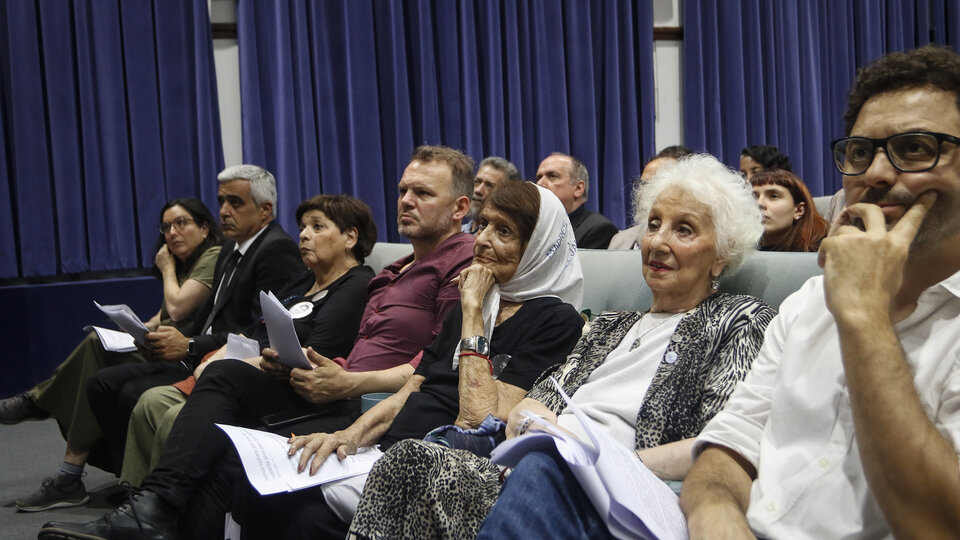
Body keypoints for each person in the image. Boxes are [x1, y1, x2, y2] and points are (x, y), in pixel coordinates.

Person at [38, 144, 477, 540]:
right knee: (227, 375)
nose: (405, 200)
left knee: (227, 450)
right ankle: (154, 507)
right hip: (336, 388)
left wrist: (348, 381)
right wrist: (319, 366)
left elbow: (434, 362)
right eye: (403, 189)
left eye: (422, 193)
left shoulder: (461, 265)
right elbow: (362, 347)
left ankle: (154, 512)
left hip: (376, 405)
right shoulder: (392, 270)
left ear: (460, 207)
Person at [358, 154, 777, 540]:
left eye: (683, 229)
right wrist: (542, 430)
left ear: (722, 254)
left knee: (535, 467)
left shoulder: (739, 319)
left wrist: (596, 459)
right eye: (653, 224)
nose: (658, 242)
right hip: (541, 463)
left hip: (628, 490)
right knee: (410, 459)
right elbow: (530, 405)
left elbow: (720, 443)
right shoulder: (609, 326)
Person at [676, 45, 960, 538]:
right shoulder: (810, 298)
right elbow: (730, 445)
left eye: (915, 147)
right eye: (860, 151)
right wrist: (714, 516)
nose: (875, 173)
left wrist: (865, 313)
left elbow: (936, 524)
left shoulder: (848, 301)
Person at [220, 181, 586, 540]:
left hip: (442, 465)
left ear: (539, 246)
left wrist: (473, 309)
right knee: (253, 486)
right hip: (385, 450)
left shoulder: (554, 320)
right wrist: (345, 437)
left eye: (503, 231)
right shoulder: (473, 305)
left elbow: (478, 421)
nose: (483, 239)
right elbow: (412, 388)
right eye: (483, 225)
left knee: (302, 513)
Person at [118, 194, 378, 487]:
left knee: (174, 417)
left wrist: (226, 364)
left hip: (290, 391)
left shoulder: (357, 285)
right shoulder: (302, 281)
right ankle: (136, 496)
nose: (303, 235)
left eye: (317, 227)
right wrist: (217, 356)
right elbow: (253, 329)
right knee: (150, 402)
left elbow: (315, 355)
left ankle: (167, 508)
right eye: (303, 227)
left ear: (350, 238)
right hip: (242, 373)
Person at [0, 198, 222, 512]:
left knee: (95, 356)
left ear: (204, 227)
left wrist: (167, 267)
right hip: (162, 348)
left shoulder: (212, 256)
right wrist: (136, 329)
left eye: (181, 223)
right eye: (166, 227)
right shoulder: (189, 262)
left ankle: (39, 409)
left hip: (187, 357)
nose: (172, 233)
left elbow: (177, 306)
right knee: (97, 345)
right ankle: (64, 467)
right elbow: (163, 317)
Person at [83, 165, 303, 476]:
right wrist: (167, 338)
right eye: (221, 201)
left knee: (132, 394)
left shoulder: (277, 249)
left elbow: (257, 332)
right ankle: (132, 477)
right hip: (199, 352)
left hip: (227, 361)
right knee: (101, 385)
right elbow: (210, 312)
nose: (224, 211)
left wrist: (188, 345)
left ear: (265, 209)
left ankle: (146, 485)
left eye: (235, 203)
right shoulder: (231, 247)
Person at [609, 145, 694, 250]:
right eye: (641, 184)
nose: (642, 192)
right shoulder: (619, 240)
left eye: (653, 185)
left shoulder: (690, 242)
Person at [536, 152, 618, 248]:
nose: (540, 183)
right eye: (539, 177)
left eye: (553, 176)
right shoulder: (534, 228)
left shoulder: (598, 229)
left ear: (578, 188)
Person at [750, 169, 829, 251]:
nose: (759, 203)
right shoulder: (739, 250)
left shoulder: (821, 253)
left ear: (799, 210)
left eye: (773, 196)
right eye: (754, 196)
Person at [462, 156, 521, 233]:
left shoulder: (502, 240)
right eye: (477, 182)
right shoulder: (455, 234)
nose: (478, 190)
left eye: (489, 186)